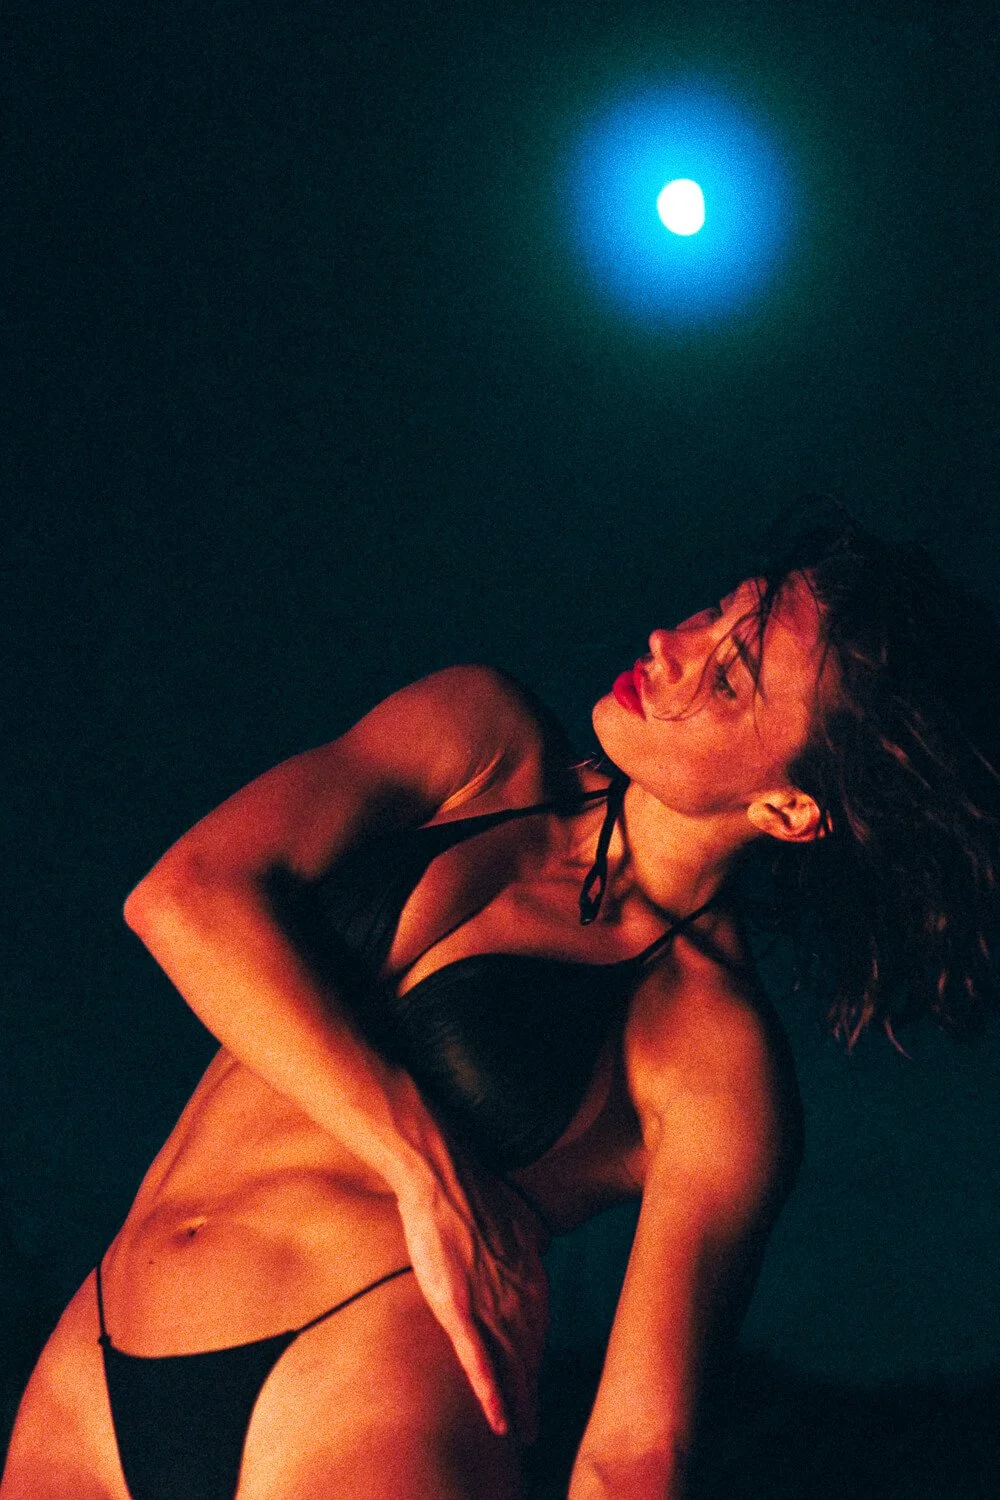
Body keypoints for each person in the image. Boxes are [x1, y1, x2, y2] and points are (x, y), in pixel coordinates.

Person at [4, 517, 998, 1500]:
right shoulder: (476, 741)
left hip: (354, 1401)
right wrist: (426, 1170)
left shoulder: (712, 1052)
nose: (672, 645)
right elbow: (182, 900)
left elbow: (634, 1452)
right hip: (87, 1381)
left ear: (788, 809)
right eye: (711, 613)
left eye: (729, 677)